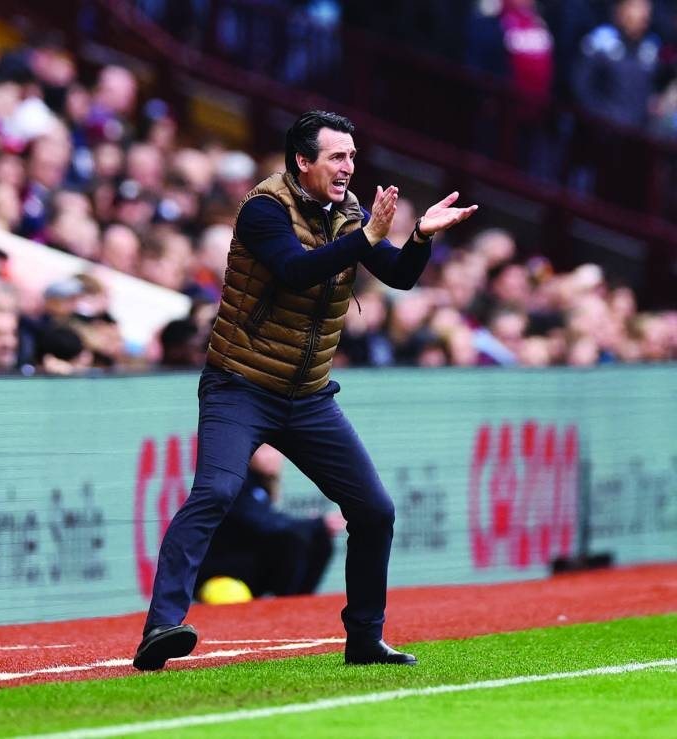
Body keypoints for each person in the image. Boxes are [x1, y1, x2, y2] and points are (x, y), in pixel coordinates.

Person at [132, 110, 477, 671]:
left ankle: (364, 639)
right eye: (337, 156)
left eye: (352, 157)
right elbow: (295, 270)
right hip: (240, 384)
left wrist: (418, 237)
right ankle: (160, 627)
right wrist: (366, 236)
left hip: (309, 394)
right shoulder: (263, 208)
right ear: (302, 161)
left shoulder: (349, 213)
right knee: (216, 492)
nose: (348, 167)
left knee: (375, 510)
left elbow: (399, 275)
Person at [195, 444, 343, 602]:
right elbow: (267, 523)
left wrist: (317, 527)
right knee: (292, 541)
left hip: (249, 566)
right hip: (220, 573)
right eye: (264, 449)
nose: (271, 456)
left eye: (276, 450)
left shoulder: (263, 484)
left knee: (319, 539)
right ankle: (285, 605)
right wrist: (317, 523)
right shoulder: (235, 482)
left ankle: (300, 603)